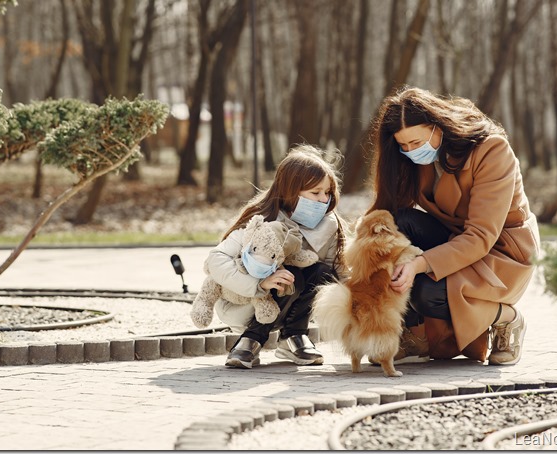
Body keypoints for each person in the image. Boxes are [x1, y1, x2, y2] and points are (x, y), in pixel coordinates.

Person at [364, 85, 540, 366]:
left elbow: (481, 236)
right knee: (393, 224)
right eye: (404, 146)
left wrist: (420, 264)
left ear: (438, 127)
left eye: (417, 143)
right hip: (454, 239)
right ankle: (415, 334)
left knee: (427, 290)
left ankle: (507, 318)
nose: (411, 151)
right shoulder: (415, 158)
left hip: (501, 252)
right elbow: (385, 212)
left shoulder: (492, 150)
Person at [205, 145, 347, 369]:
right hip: (244, 303)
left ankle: (293, 337)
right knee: (291, 274)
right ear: (292, 190)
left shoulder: (328, 225)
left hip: (288, 306)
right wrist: (259, 283)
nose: (323, 199)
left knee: (322, 273)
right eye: (315, 192)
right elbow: (216, 259)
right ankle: (251, 340)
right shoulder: (263, 218)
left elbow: (337, 272)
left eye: (327, 192)